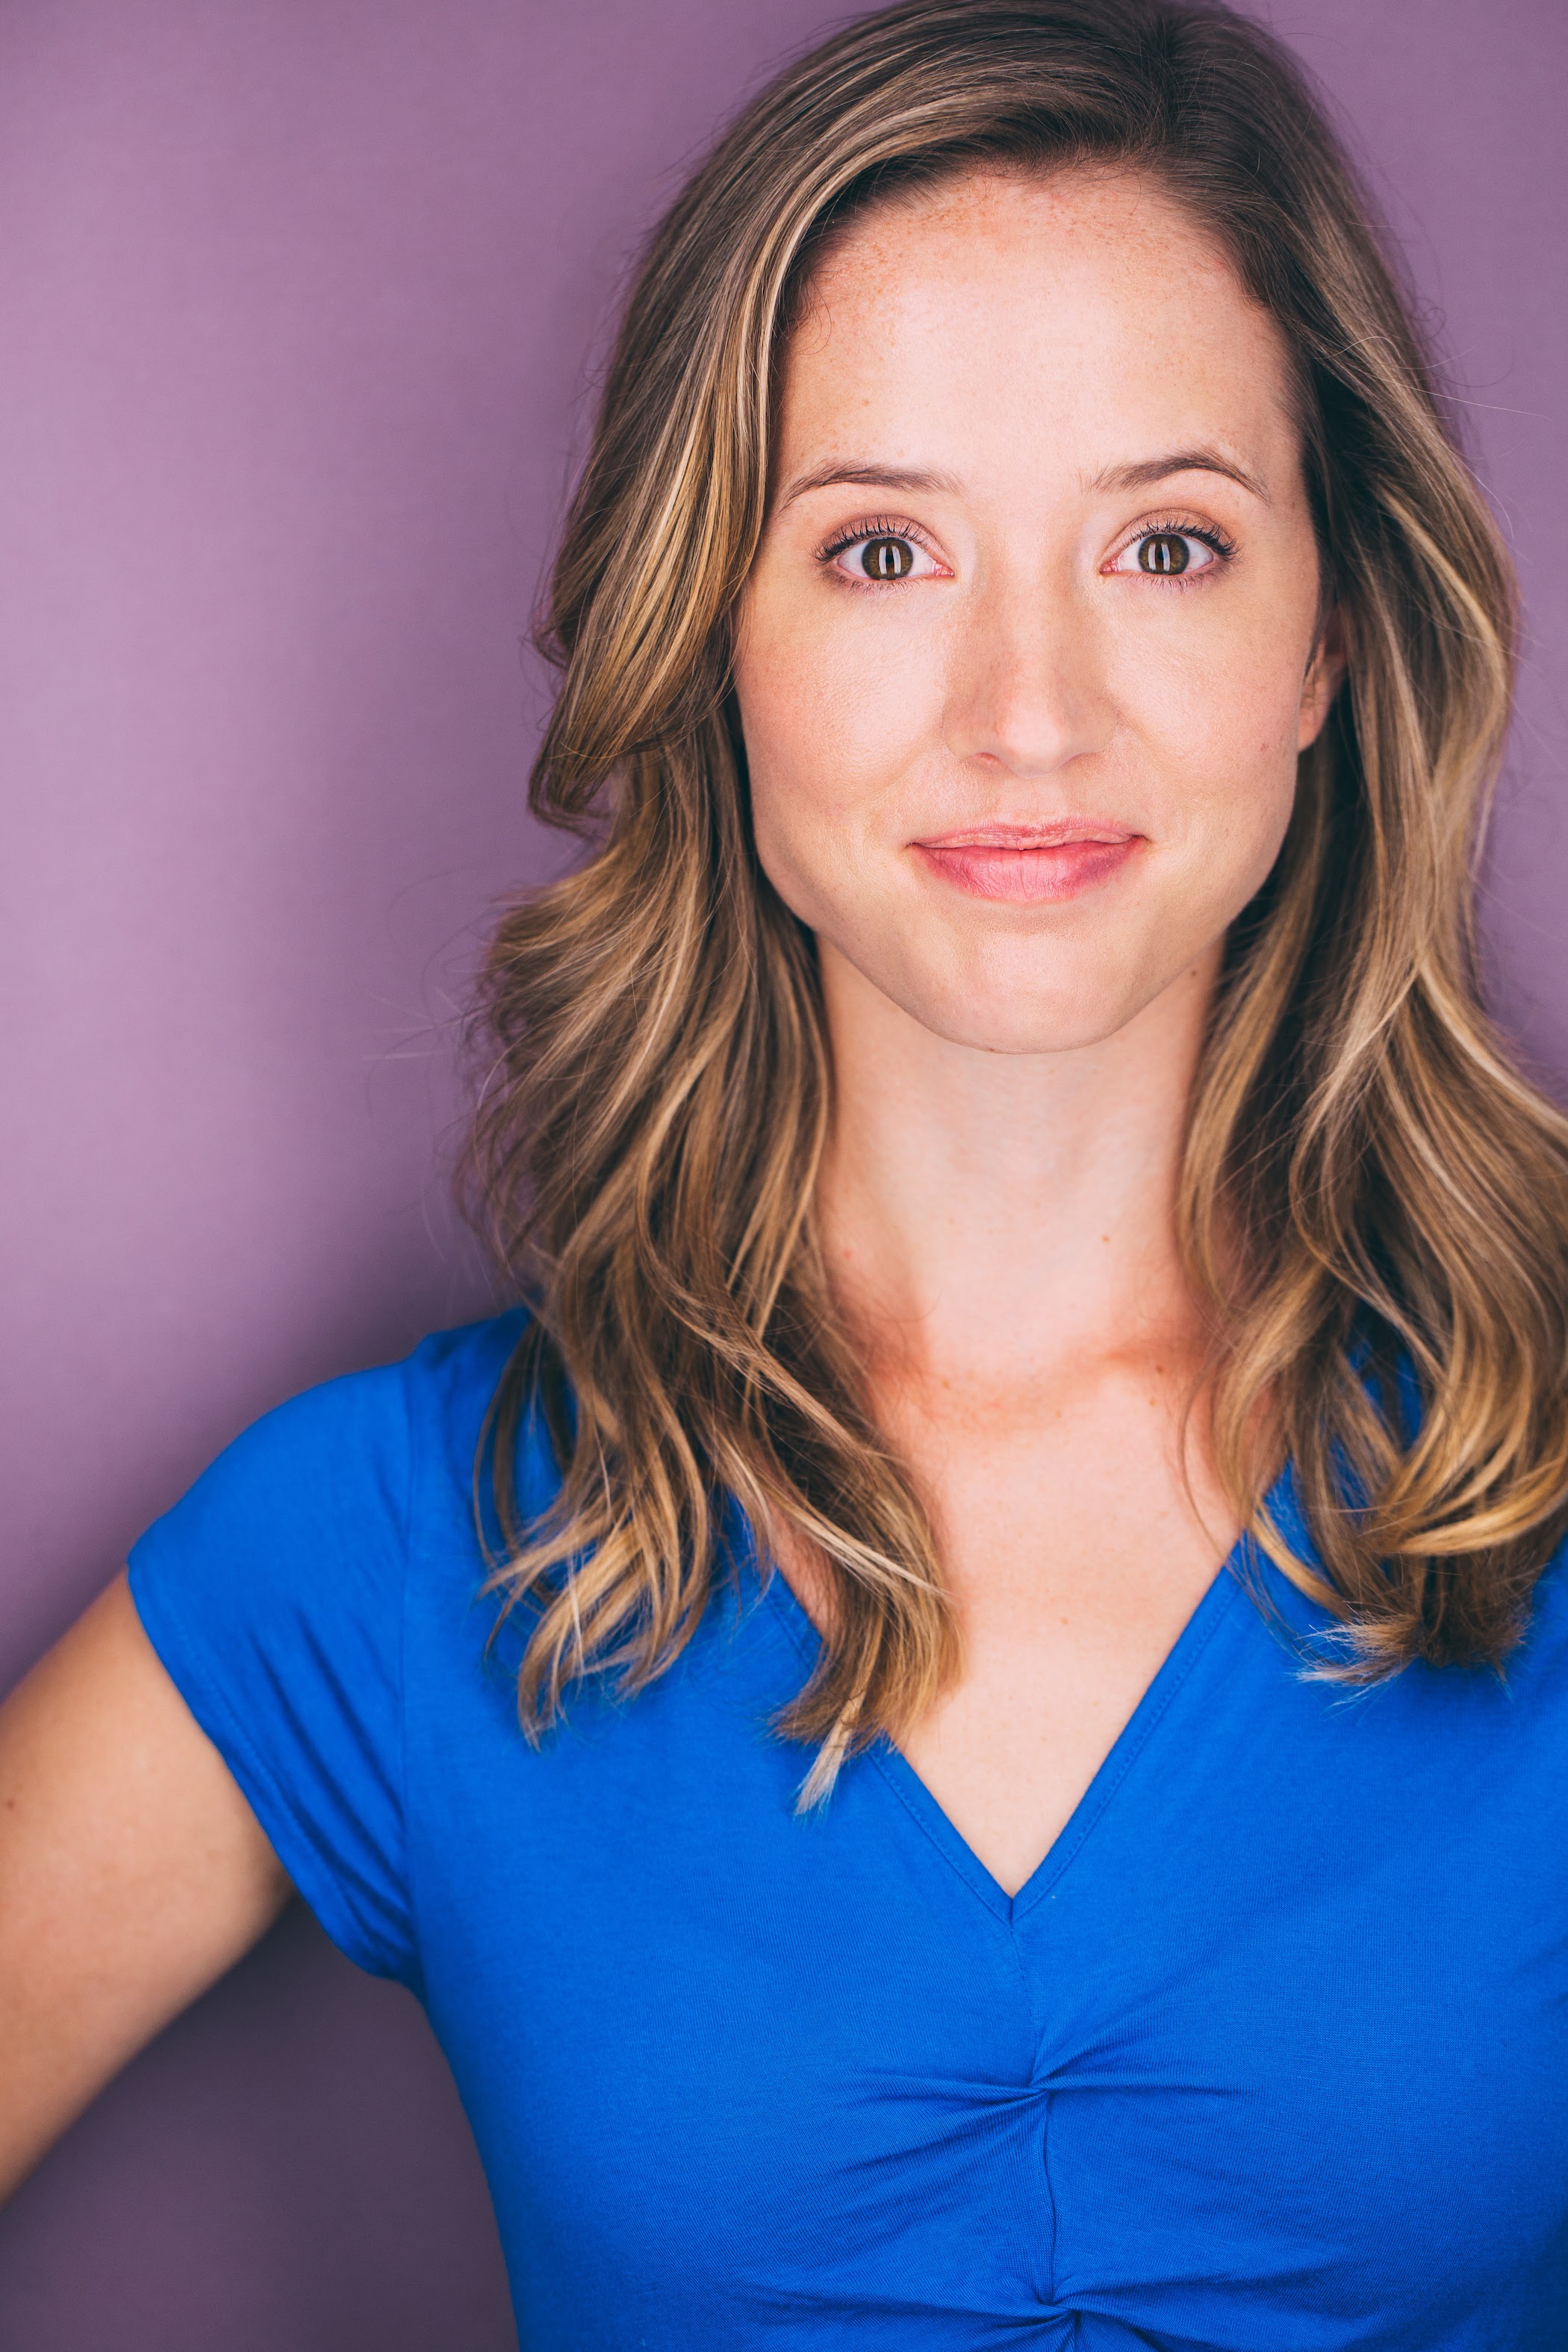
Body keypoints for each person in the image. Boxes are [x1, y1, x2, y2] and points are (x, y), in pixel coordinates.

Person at [4, 0, 1567, 2340]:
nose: (1028, 711)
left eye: (1163, 544)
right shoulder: (391, 1547)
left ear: (1326, 641)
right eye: (879, 550)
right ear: (712, 637)